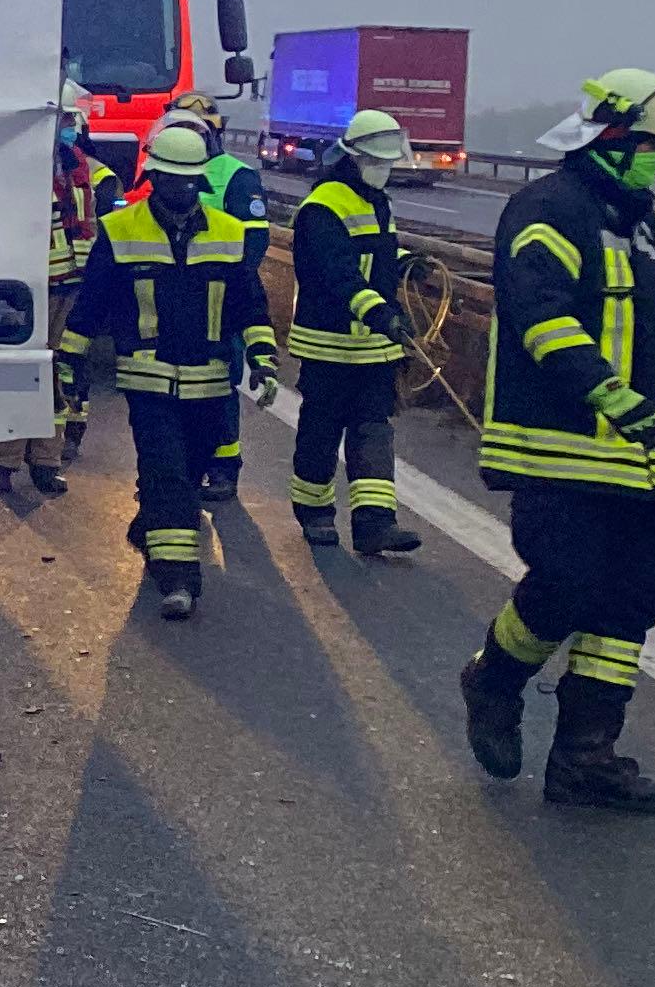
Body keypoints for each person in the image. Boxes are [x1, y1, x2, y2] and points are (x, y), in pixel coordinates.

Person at [457, 68, 655, 811]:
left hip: (633, 454)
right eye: (654, 144)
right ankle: (495, 678)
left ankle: (585, 758)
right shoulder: (548, 208)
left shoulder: (634, 218)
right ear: (612, 136)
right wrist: (611, 396)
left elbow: (639, 328)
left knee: (629, 599)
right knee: (566, 583)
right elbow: (543, 317)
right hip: (556, 442)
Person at [72, 113, 271, 620]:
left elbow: (248, 300)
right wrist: (69, 362)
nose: (182, 189)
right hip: (148, 379)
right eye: (172, 179)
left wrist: (262, 357)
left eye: (190, 181)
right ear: (154, 179)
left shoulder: (228, 233)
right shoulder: (120, 229)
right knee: (166, 473)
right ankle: (179, 580)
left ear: (200, 181)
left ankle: (151, 525)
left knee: (192, 468)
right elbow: (92, 302)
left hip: (209, 380)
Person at [285, 108, 426, 557]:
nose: (384, 171)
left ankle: (374, 524)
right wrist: (382, 314)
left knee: (373, 431)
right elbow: (339, 274)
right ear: (352, 157)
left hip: (374, 350)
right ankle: (315, 514)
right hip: (328, 344)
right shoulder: (322, 207)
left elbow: (377, 253)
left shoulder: (376, 200)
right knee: (321, 430)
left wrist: (405, 265)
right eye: (377, 162)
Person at [0, 73, 109, 500]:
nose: (68, 127)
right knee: (19, 371)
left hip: (68, 285)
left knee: (58, 371)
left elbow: (84, 225)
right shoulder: (15, 166)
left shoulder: (75, 166)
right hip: (23, 288)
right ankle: (3, 462)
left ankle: (46, 461)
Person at [184, 100, 268, 499]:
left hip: (221, 301)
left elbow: (253, 243)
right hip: (177, 300)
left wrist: (233, 293)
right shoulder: (170, 167)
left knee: (220, 384)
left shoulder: (237, 177)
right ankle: (179, 467)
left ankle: (223, 468)